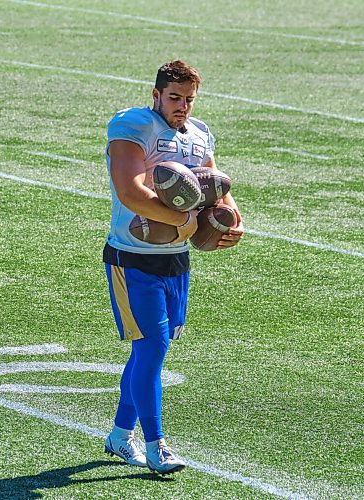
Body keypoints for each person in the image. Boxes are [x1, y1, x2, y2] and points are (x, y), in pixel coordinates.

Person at [103, 60, 244, 475]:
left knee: (150, 351)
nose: (182, 107)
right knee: (152, 347)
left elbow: (216, 188)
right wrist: (181, 222)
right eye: (174, 98)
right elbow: (130, 192)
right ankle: (156, 445)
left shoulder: (199, 135)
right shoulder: (133, 126)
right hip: (132, 258)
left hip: (176, 262)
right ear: (156, 95)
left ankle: (118, 435)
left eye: (188, 99)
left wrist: (232, 221)